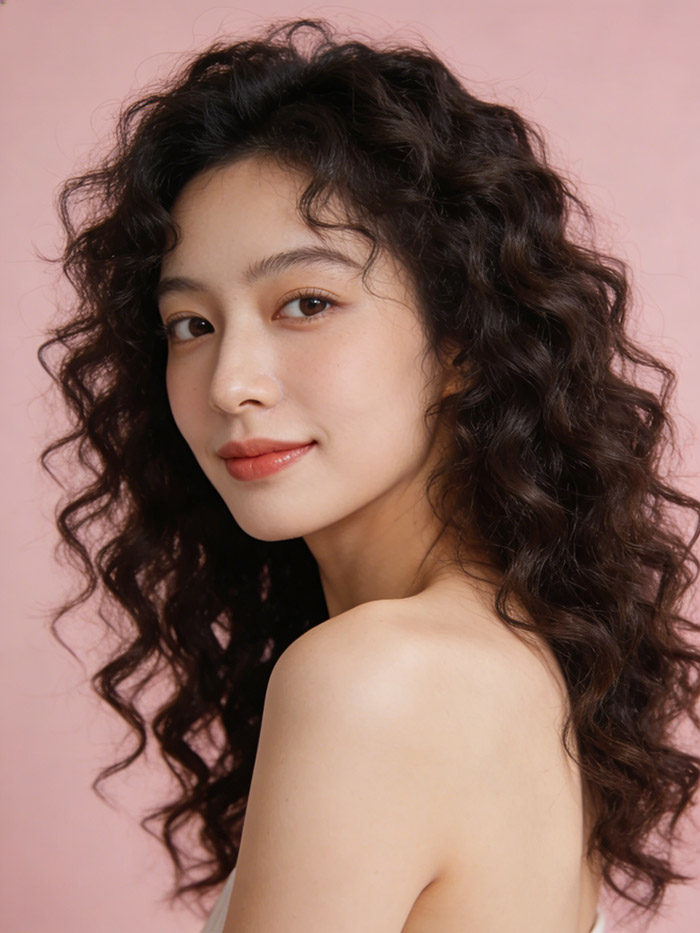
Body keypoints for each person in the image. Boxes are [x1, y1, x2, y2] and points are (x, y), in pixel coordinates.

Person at [38, 17, 700, 933]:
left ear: (461, 339)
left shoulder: (378, 680)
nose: (231, 382)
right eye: (191, 323)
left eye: (306, 303)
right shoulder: (505, 656)